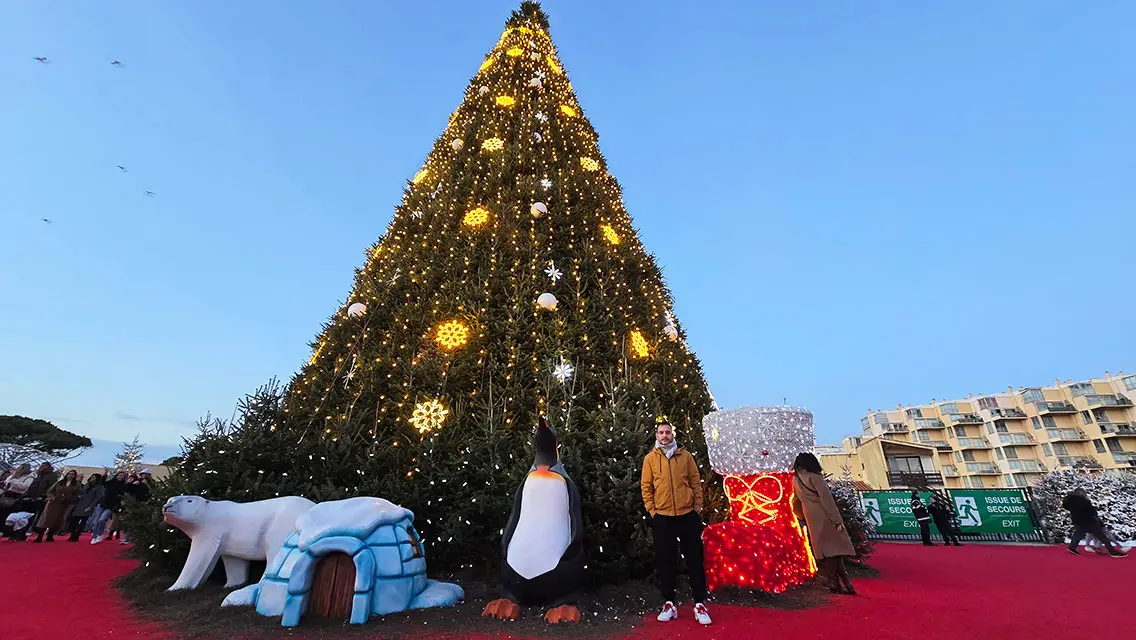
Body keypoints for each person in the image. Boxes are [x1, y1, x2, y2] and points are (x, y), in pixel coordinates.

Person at [640, 416, 711, 625]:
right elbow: (646, 487)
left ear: (673, 434)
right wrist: (653, 511)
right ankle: (669, 603)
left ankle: (699, 604)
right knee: (666, 561)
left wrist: (697, 508)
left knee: (695, 560)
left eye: (667, 432)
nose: (664, 436)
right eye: (661, 433)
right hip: (663, 518)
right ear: (656, 436)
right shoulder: (650, 459)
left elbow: (696, 483)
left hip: (687, 515)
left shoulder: (686, 456)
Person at [792, 453, 857, 595]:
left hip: (810, 516)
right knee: (835, 549)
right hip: (824, 515)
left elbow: (795, 501)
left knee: (827, 551)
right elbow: (827, 499)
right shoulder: (815, 477)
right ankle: (833, 581)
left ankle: (842, 583)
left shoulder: (796, 479)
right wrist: (837, 520)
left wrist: (802, 515)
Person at [1063, 488, 1125, 558]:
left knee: (1077, 535)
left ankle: (1072, 548)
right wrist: (1096, 518)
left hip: (1077, 521)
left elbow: (1065, 506)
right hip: (1089, 521)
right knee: (1102, 537)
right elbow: (1091, 511)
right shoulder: (1084, 501)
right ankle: (1113, 552)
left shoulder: (1070, 501)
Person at [33, 469, 81, 542]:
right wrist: (52, 497)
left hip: (64, 504)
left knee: (57, 520)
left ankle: (50, 535)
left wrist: (70, 499)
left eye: (72, 474)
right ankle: (40, 536)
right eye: (69, 474)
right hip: (54, 503)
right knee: (46, 519)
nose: (70, 476)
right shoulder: (60, 482)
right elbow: (50, 491)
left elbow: (78, 494)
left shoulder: (76, 485)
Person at [90, 471, 129, 544]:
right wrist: (104, 475)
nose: (121, 477)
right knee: (96, 521)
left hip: (111, 506)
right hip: (103, 504)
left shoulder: (123, 486)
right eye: (120, 475)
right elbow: (102, 483)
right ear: (116, 476)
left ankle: (100, 534)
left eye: (122, 476)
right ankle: (95, 536)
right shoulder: (110, 483)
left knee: (102, 520)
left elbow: (123, 495)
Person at [68, 473, 104, 541]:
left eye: (94, 477)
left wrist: (91, 506)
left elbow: (97, 498)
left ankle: (77, 535)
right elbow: (81, 492)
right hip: (80, 504)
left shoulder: (99, 487)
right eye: (91, 477)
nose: (92, 478)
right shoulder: (87, 485)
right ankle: (72, 535)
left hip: (89, 505)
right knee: (73, 520)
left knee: (83, 521)